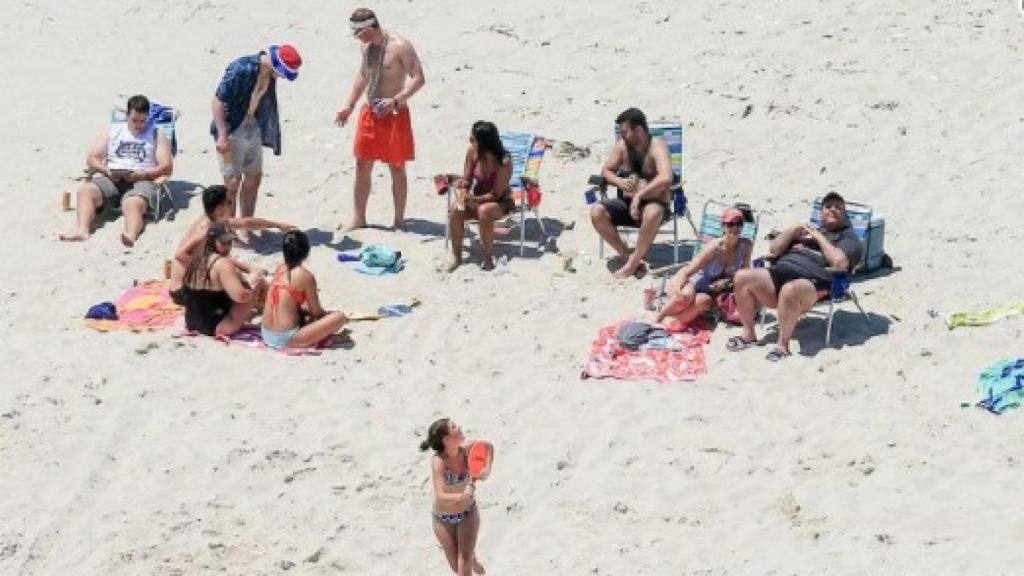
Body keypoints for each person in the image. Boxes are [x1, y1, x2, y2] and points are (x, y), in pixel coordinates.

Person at [727, 192, 864, 361]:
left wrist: (818, 236)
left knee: (790, 289)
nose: (833, 210)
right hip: (778, 275)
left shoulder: (849, 238)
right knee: (742, 277)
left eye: (838, 207)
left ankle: (782, 345)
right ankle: (748, 334)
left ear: (844, 214)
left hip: (812, 284)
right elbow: (774, 250)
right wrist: (794, 229)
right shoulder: (805, 232)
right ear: (821, 213)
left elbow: (839, 262)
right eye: (828, 207)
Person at [335, 8, 426, 230]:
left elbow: (418, 79)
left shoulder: (400, 46)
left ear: (368, 29)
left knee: (396, 167)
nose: (357, 38)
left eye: (359, 33)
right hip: (370, 112)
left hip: (394, 113)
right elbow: (363, 75)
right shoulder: (365, 46)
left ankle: (399, 220)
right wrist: (349, 105)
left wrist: (396, 100)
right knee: (361, 165)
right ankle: (359, 218)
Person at [60, 94, 173, 246]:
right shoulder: (112, 131)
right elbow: (92, 158)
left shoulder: (156, 134)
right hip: (112, 176)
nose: (139, 124)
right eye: (134, 120)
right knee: (85, 191)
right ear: (127, 115)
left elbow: (166, 165)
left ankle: (130, 234)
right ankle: (82, 230)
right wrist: (106, 170)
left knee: (131, 203)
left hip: (142, 179)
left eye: (143, 120)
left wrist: (144, 174)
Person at [211, 44, 302, 229]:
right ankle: (229, 228)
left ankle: (246, 225)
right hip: (231, 129)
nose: (283, 77)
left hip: (253, 126)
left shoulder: (268, 73)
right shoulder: (241, 69)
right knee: (232, 182)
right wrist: (222, 135)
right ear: (276, 65)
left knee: (253, 178)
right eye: (283, 73)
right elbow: (217, 101)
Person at [589, 107, 675, 279]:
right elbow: (606, 170)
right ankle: (627, 255)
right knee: (596, 212)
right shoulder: (623, 146)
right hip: (626, 205)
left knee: (653, 211)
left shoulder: (657, 146)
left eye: (625, 132)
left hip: (653, 204)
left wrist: (640, 195)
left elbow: (666, 177)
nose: (622, 136)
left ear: (639, 130)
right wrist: (620, 182)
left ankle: (632, 264)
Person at [170, 185, 294, 297]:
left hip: (192, 284)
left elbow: (246, 222)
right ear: (219, 208)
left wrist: (277, 225)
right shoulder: (205, 229)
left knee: (238, 277)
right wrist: (205, 271)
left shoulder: (214, 220)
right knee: (246, 286)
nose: (231, 205)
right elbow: (180, 255)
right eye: (229, 202)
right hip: (183, 290)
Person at [654, 208, 752, 326]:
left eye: (739, 224)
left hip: (716, 291)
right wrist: (677, 288)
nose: (735, 228)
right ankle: (658, 318)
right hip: (696, 281)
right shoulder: (714, 248)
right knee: (685, 296)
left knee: (703, 301)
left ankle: (675, 323)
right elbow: (689, 271)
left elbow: (745, 274)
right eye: (731, 224)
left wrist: (727, 282)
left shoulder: (746, 245)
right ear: (723, 226)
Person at [419, 418, 488, 576]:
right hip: (442, 519)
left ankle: (470, 558)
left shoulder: (467, 448)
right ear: (447, 440)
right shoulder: (439, 461)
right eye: (454, 427)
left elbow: (487, 447)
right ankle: (473, 559)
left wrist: (486, 470)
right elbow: (441, 496)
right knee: (457, 567)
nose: (459, 427)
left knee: (463, 568)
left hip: (467, 513)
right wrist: (464, 494)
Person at [260, 230, 349, 349]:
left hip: (265, 333)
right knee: (339, 317)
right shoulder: (305, 276)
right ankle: (325, 339)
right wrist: (328, 315)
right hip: (285, 339)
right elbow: (316, 312)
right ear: (306, 252)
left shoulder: (279, 269)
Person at [447, 121, 516, 272]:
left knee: (484, 211)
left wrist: (473, 200)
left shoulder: (503, 161)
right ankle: (457, 257)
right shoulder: (472, 152)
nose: (470, 142)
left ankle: (488, 258)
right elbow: (467, 180)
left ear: (484, 143)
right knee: (454, 209)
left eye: (473, 139)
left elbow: (496, 194)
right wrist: (463, 192)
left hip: (501, 202)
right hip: (476, 199)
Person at [180, 222, 267, 337]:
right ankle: (269, 314)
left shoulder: (196, 258)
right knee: (257, 280)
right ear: (212, 241)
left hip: (192, 323)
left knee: (243, 281)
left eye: (230, 242)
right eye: (224, 243)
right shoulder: (222, 264)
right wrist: (253, 293)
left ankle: (264, 309)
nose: (228, 247)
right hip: (218, 327)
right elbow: (240, 297)